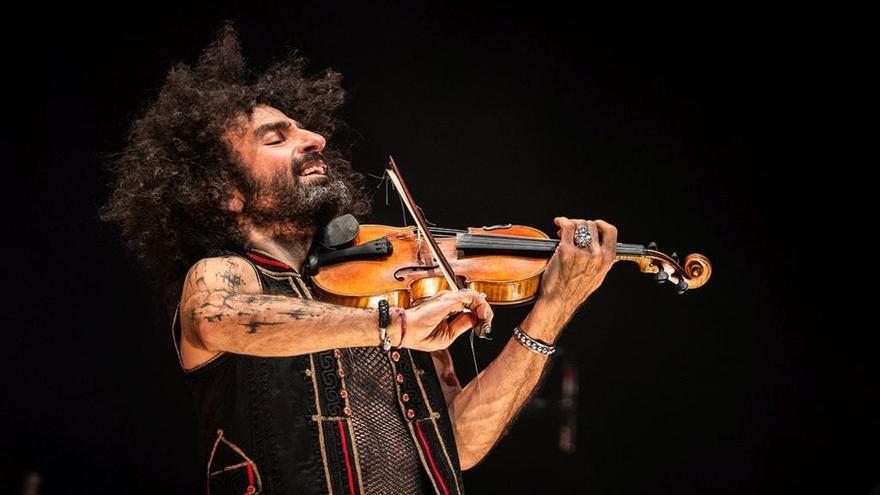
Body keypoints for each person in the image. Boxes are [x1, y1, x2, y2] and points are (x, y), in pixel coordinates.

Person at [101, 24, 617, 495]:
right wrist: (394, 325)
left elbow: (456, 444)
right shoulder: (228, 273)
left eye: (303, 128)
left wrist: (552, 309)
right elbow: (217, 318)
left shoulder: (382, 290)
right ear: (223, 192)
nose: (316, 138)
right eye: (277, 137)